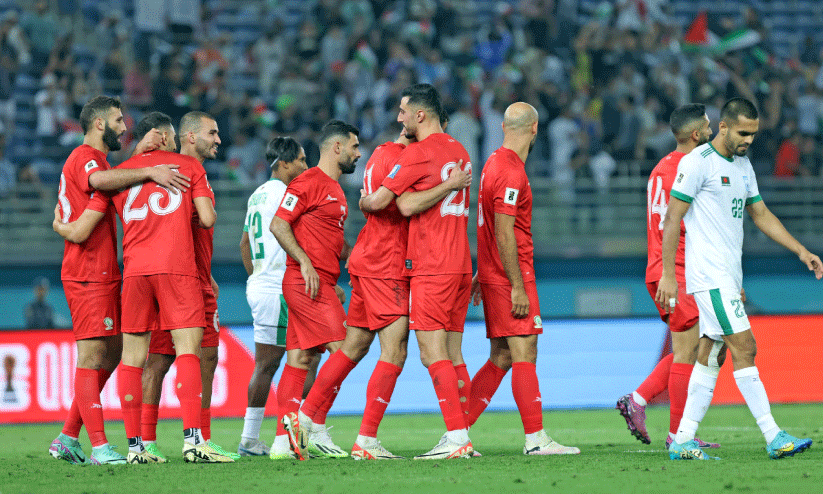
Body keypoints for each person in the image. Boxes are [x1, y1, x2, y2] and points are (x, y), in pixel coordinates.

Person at [54, 112, 230, 464]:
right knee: (188, 351)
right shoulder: (186, 167)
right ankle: (194, 441)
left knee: (132, 358)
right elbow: (208, 219)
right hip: (176, 270)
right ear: (168, 137)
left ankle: (136, 447)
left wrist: (61, 227)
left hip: (134, 274)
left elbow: (85, 224)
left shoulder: (119, 178)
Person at [295, 116, 471, 460]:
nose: (358, 152)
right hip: (388, 263)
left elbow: (375, 199)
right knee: (395, 351)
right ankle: (366, 440)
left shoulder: (381, 154)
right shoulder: (407, 157)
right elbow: (391, 203)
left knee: (354, 345)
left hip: (366, 257)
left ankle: (304, 419)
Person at [658, 98, 822, 460]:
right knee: (745, 348)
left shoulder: (744, 167)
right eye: (743, 132)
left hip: (728, 276)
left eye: (754, 133)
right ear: (724, 127)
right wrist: (669, 275)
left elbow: (761, 214)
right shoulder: (697, 163)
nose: (749, 139)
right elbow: (672, 220)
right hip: (709, 276)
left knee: (711, 354)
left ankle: (683, 439)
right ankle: (773, 435)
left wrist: (800, 250)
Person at [360, 83, 474, 459]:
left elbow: (395, 205)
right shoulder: (460, 150)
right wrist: (449, 184)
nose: (399, 119)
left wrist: (362, 198)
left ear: (420, 116)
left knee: (430, 352)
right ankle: (460, 432)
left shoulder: (418, 154)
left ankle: (457, 437)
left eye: (404, 112)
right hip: (459, 264)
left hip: (432, 266)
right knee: (454, 355)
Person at [464, 102, 579, 455]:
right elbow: (503, 231)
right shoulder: (511, 171)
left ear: (502, 127)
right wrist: (516, 284)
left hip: (493, 272)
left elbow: (482, 225)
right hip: (512, 274)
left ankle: (457, 429)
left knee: (502, 355)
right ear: (535, 129)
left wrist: (481, 272)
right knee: (525, 349)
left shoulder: (492, 165)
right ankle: (536, 439)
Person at [616, 103, 721, 450]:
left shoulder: (661, 167)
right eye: (708, 127)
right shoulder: (694, 168)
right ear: (696, 134)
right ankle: (678, 435)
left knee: (692, 348)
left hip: (669, 268)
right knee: (687, 353)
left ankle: (641, 402)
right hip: (675, 271)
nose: (713, 131)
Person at [139, 111, 239, 461]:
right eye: (213, 133)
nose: (219, 139)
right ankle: (178, 440)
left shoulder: (183, 172)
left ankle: (193, 439)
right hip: (180, 281)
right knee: (163, 360)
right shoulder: (180, 172)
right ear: (191, 136)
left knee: (203, 357)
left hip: (193, 277)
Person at [268, 120, 361, 461]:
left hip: (319, 282)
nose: (358, 153)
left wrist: (352, 262)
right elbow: (278, 224)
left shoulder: (335, 189)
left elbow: (330, 241)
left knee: (301, 359)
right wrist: (305, 263)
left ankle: (282, 441)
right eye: (353, 146)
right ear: (336, 148)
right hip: (305, 282)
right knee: (347, 348)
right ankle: (313, 426)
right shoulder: (308, 182)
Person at [236, 136, 320, 457]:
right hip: (280, 287)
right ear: (283, 163)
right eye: (300, 160)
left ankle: (250, 439)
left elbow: (245, 243)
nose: (305, 166)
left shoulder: (258, 194)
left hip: (260, 285)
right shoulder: (287, 194)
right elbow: (292, 234)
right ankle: (293, 435)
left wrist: (257, 276)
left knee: (267, 365)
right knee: (304, 360)